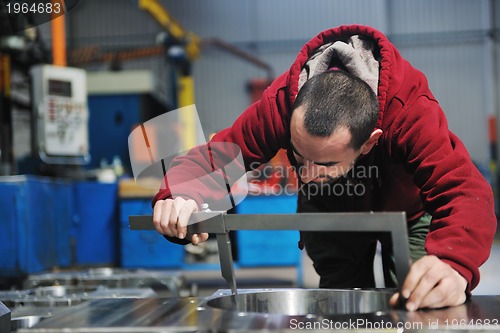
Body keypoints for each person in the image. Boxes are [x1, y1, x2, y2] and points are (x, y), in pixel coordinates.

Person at [151, 24, 497, 311]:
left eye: (327, 162)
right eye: (301, 157)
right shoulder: (280, 106)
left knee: (421, 299)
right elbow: (212, 158)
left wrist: (454, 264)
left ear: (370, 142)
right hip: (331, 208)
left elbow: (464, 190)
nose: (311, 173)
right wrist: (180, 194)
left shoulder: (409, 111)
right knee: (341, 304)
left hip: (410, 211)